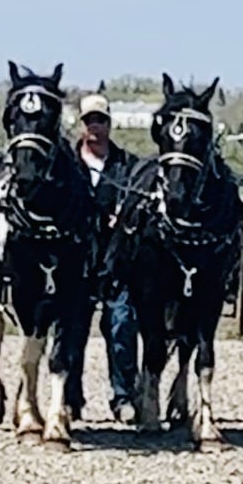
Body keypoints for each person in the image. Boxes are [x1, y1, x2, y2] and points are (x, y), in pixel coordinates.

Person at [65, 87, 141, 424]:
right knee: (72, 330)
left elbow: (143, 206)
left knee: (122, 325)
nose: (95, 126)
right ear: (81, 124)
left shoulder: (130, 166)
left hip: (118, 261)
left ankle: (124, 397)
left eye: (101, 120)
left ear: (109, 124)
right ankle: (71, 398)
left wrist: (124, 218)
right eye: (90, 120)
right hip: (77, 260)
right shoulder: (66, 166)